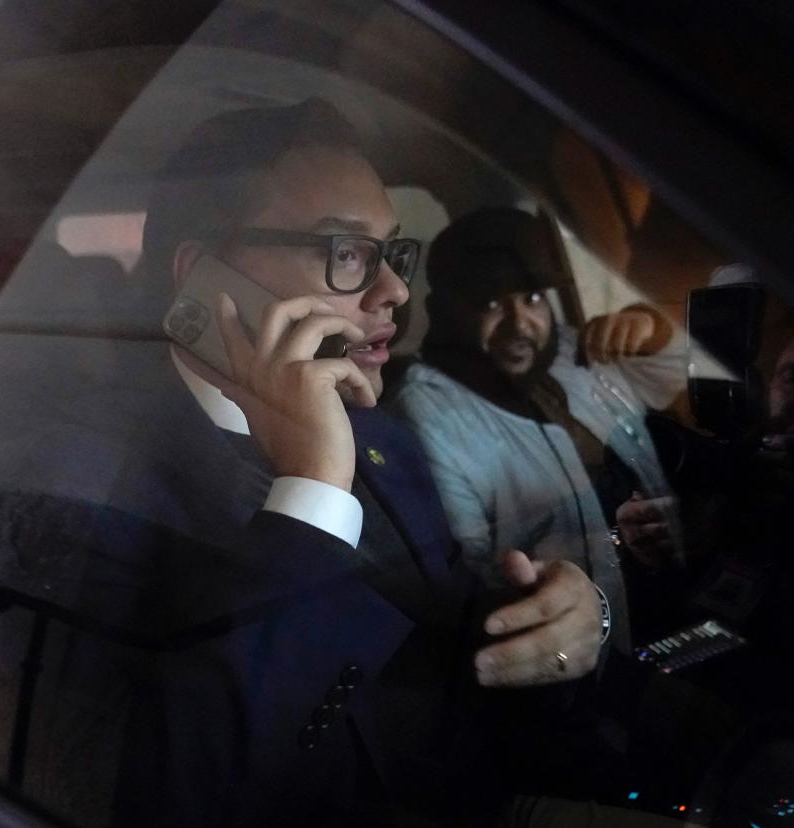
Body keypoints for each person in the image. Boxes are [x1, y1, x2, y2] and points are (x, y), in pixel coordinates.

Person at [99, 100, 645, 826]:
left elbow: (451, 655)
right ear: (204, 274)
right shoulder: (93, 483)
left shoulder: (383, 438)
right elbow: (192, 791)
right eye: (347, 254)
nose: (393, 291)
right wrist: (313, 489)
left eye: (392, 253)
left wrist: (573, 626)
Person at [388, 208, 675, 652]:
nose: (520, 323)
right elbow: (473, 580)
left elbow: (671, 377)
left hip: (670, 599)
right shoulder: (431, 416)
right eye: (490, 303)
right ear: (444, 312)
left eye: (532, 298)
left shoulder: (566, 348)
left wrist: (651, 328)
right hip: (583, 655)